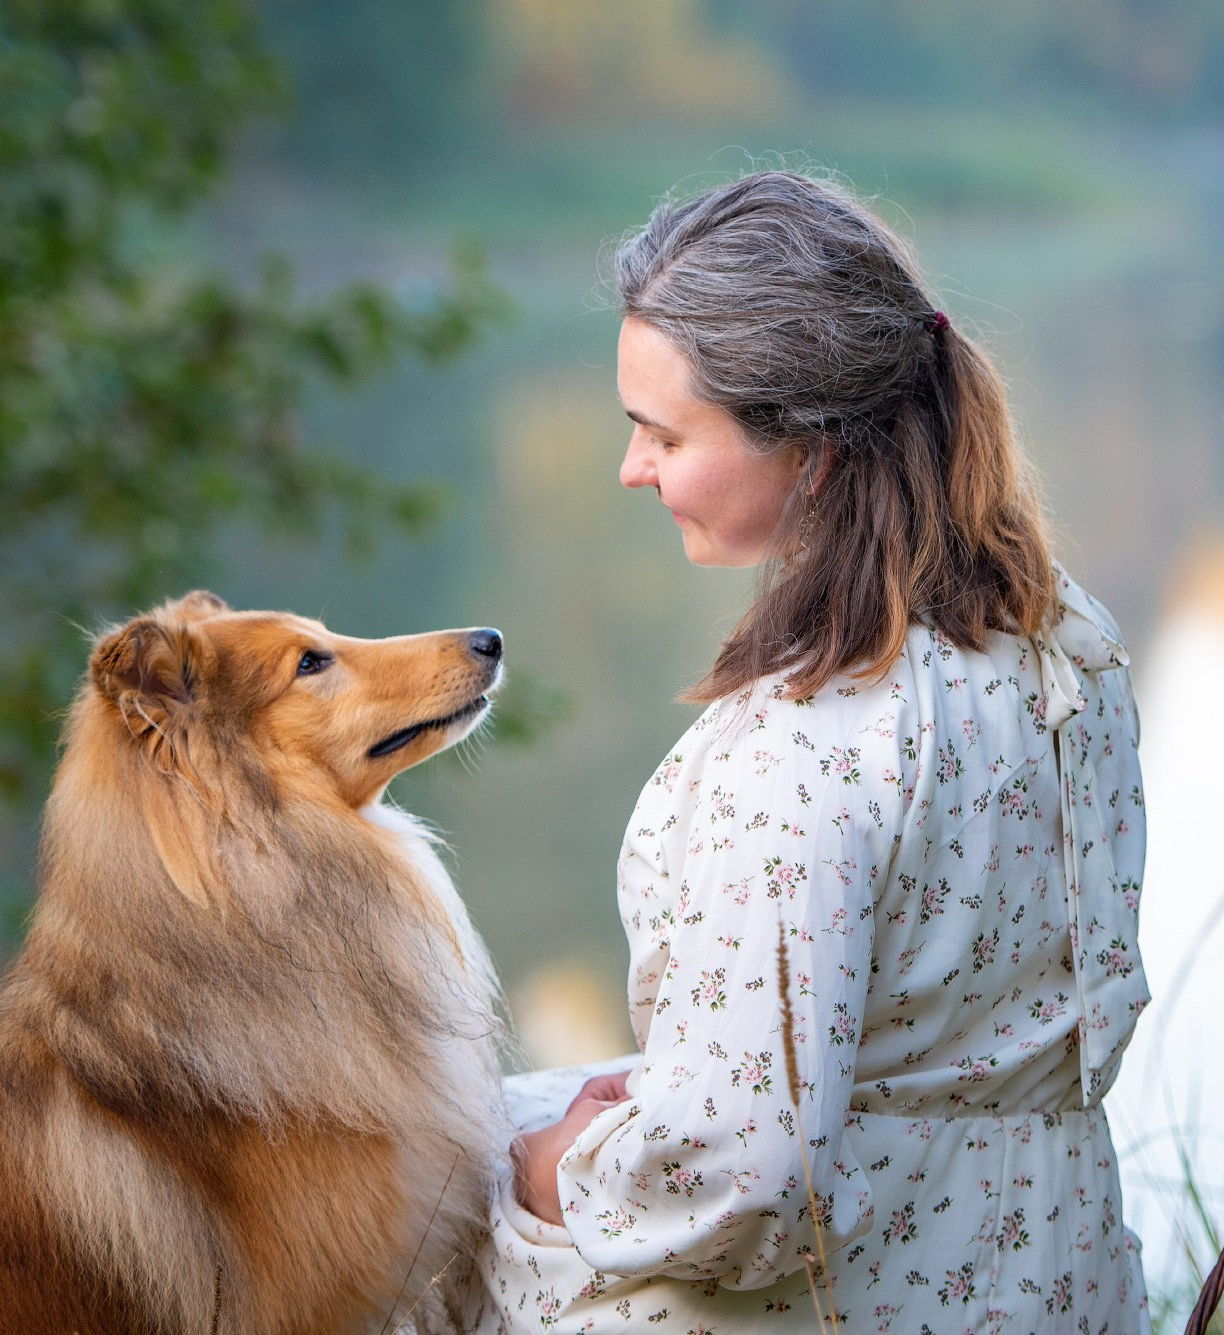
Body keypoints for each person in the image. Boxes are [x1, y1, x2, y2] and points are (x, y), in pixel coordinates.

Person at [475, 170, 1150, 1334]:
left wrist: (555, 1172)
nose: (630, 468)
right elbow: (928, 1040)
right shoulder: (1062, 642)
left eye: (661, 433)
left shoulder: (799, 749)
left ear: (813, 450)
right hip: (1054, 1277)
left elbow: (738, 1175)